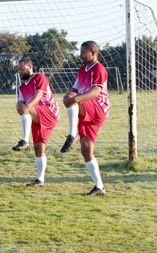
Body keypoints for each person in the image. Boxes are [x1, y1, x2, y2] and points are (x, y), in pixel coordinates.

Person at [62, 41, 112, 196]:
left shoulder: (99, 68)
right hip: (86, 110)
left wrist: (74, 99)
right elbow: (74, 89)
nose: (80, 55)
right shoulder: (82, 69)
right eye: (80, 52)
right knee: (86, 149)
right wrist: (68, 98)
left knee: (72, 98)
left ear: (93, 53)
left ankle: (71, 135)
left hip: (98, 106)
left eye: (84, 52)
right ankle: (99, 187)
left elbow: (96, 92)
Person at [12, 58, 60, 186]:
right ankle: (40, 180)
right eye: (18, 69)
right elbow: (20, 102)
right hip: (36, 116)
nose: (19, 71)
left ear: (29, 67)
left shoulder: (39, 77)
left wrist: (26, 108)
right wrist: (20, 107)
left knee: (24, 107)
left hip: (49, 112)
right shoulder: (21, 86)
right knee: (39, 148)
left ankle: (25, 141)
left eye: (21, 69)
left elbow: (39, 95)